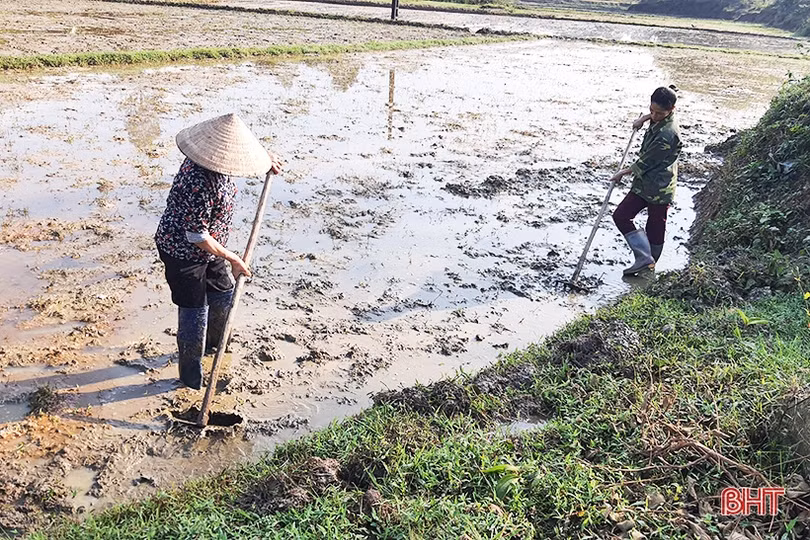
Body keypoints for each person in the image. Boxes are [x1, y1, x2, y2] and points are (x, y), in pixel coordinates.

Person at [155, 113, 282, 389]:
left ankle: (217, 349)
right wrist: (233, 258)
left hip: (212, 249)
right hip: (182, 251)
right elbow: (197, 235)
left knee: (223, 295)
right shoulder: (200, 180)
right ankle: (191, 377)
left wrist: (265, 161)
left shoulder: (216, 162)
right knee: (195, 310)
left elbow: (247, 158)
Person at [610, 86, 682, 275]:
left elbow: (645, 162)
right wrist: (644, 119)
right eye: (652, 111)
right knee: (621, 215)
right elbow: (655, 116)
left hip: (660, 186)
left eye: (659, 113)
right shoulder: (661, 117)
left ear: (671, 110)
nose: (655, 115)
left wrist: (621, 173)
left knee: (656, 224)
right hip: (645, 183)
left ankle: (648, 262)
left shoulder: (667, 135)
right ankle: (644, 258)